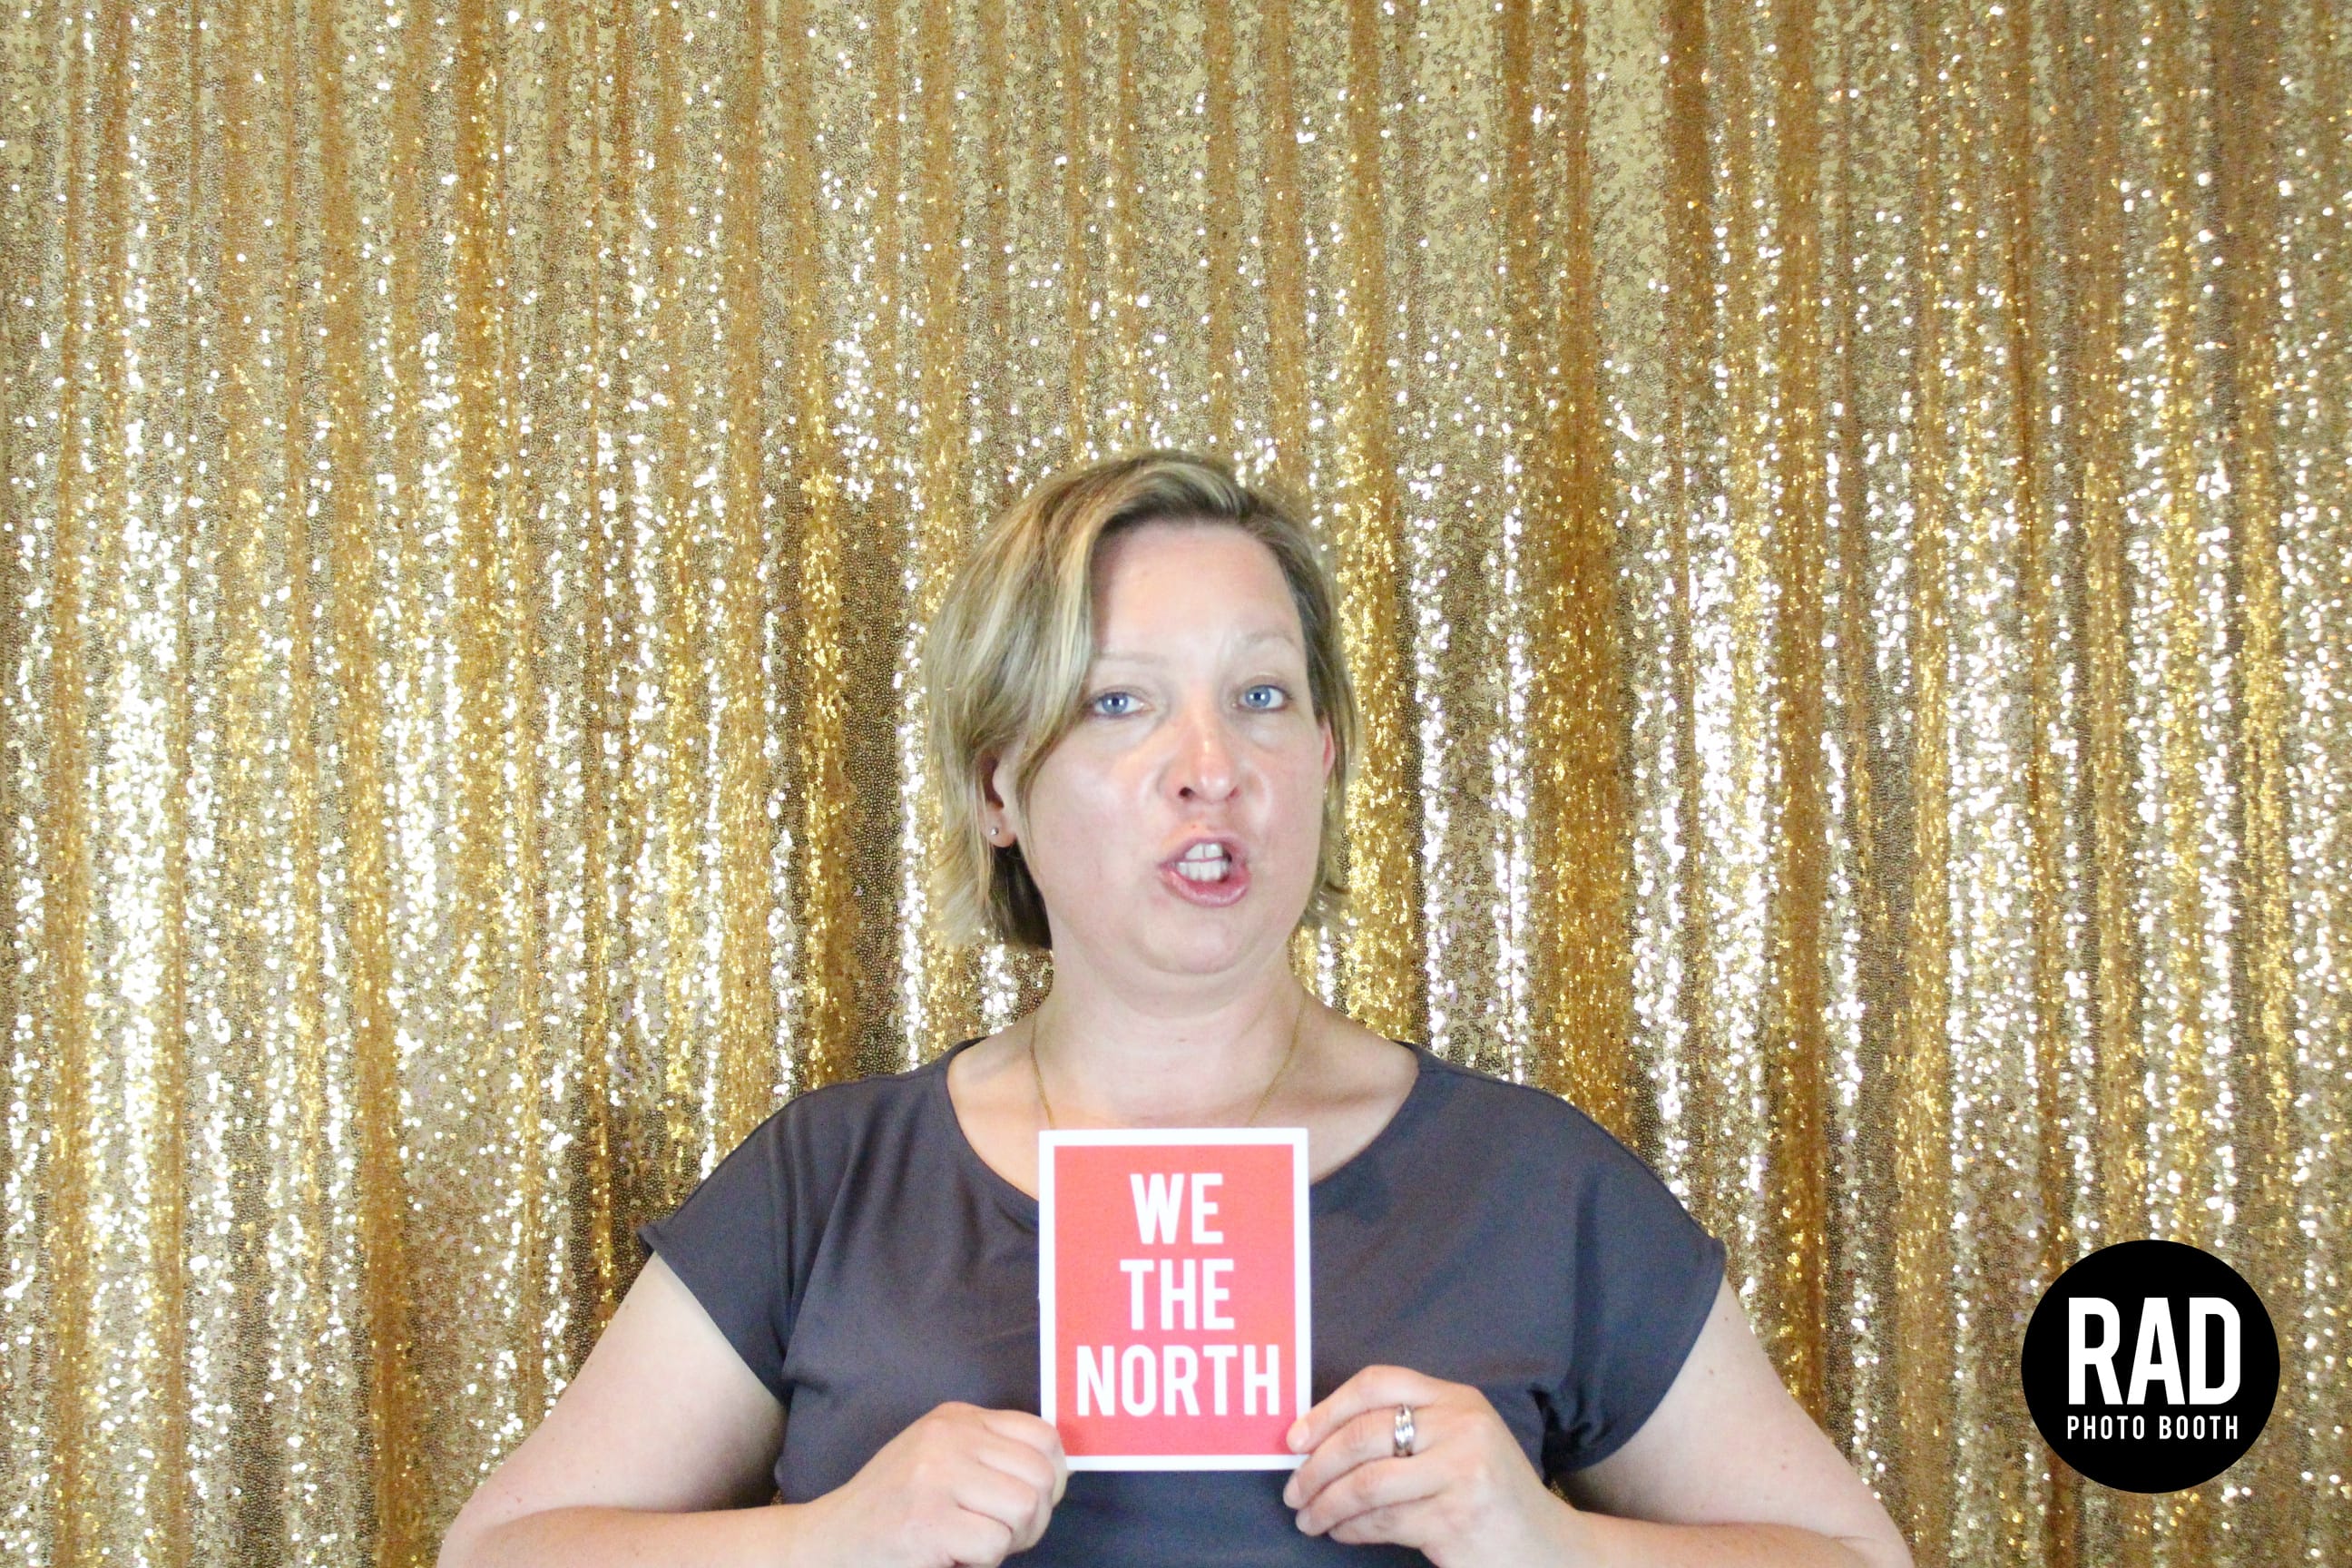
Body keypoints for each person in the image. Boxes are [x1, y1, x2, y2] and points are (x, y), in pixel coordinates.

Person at [436, 452, 1914, 1568]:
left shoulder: (1532, 1183)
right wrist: (825, 1540)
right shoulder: (831, 1182)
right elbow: (498, 1552)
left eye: (1261, 697)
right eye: (1121, 702)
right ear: (999, 786)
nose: (1212, 765)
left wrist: (1552, 1545)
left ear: (1324, 755)